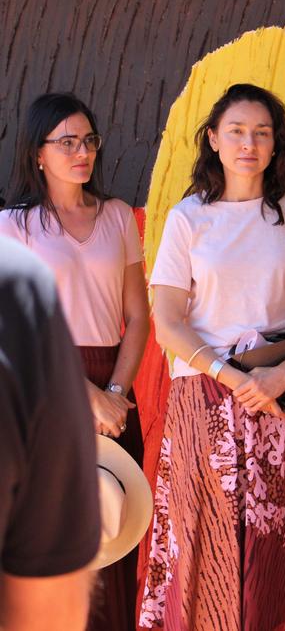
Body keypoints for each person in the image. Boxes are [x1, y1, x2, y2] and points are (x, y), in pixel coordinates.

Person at [139, 83, 285, 630]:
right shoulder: (188, 219)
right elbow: (168, 321)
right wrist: (229, 376)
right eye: (236, 131)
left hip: (280, 400)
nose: (248, 143)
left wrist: (281, 374)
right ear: (213, 139)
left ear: (277, 144)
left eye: (262, 132)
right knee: (201, 548)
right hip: (204, 401)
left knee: (276, 555)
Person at [0, 93, 150, 631]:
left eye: (89, 140)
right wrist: (88, 396)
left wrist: (115, 392)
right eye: (66, 142)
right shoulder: (12, 226)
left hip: (116, 386)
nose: (81, 152)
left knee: (114, 529)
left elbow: (139, 316)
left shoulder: (116, 217)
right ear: (38, 153)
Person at [0, 235, 101, 631]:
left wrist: (114, 391)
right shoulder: (16, 288)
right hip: (64, 374)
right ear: (37, 165)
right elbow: (48, 615)